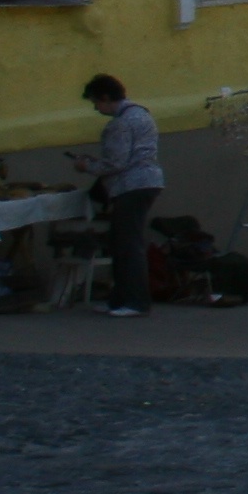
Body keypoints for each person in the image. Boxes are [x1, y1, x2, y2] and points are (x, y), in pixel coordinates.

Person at [73, 74, 163, 318]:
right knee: (122, 241)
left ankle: (134, 302)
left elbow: (116, 162)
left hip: (131, 185)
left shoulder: (120, 123)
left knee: (127, 244)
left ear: (105, 97)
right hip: (146, 181)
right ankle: (120, 299)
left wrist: (87, 166)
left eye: (96, 103)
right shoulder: (142, 114)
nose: (96, 108)